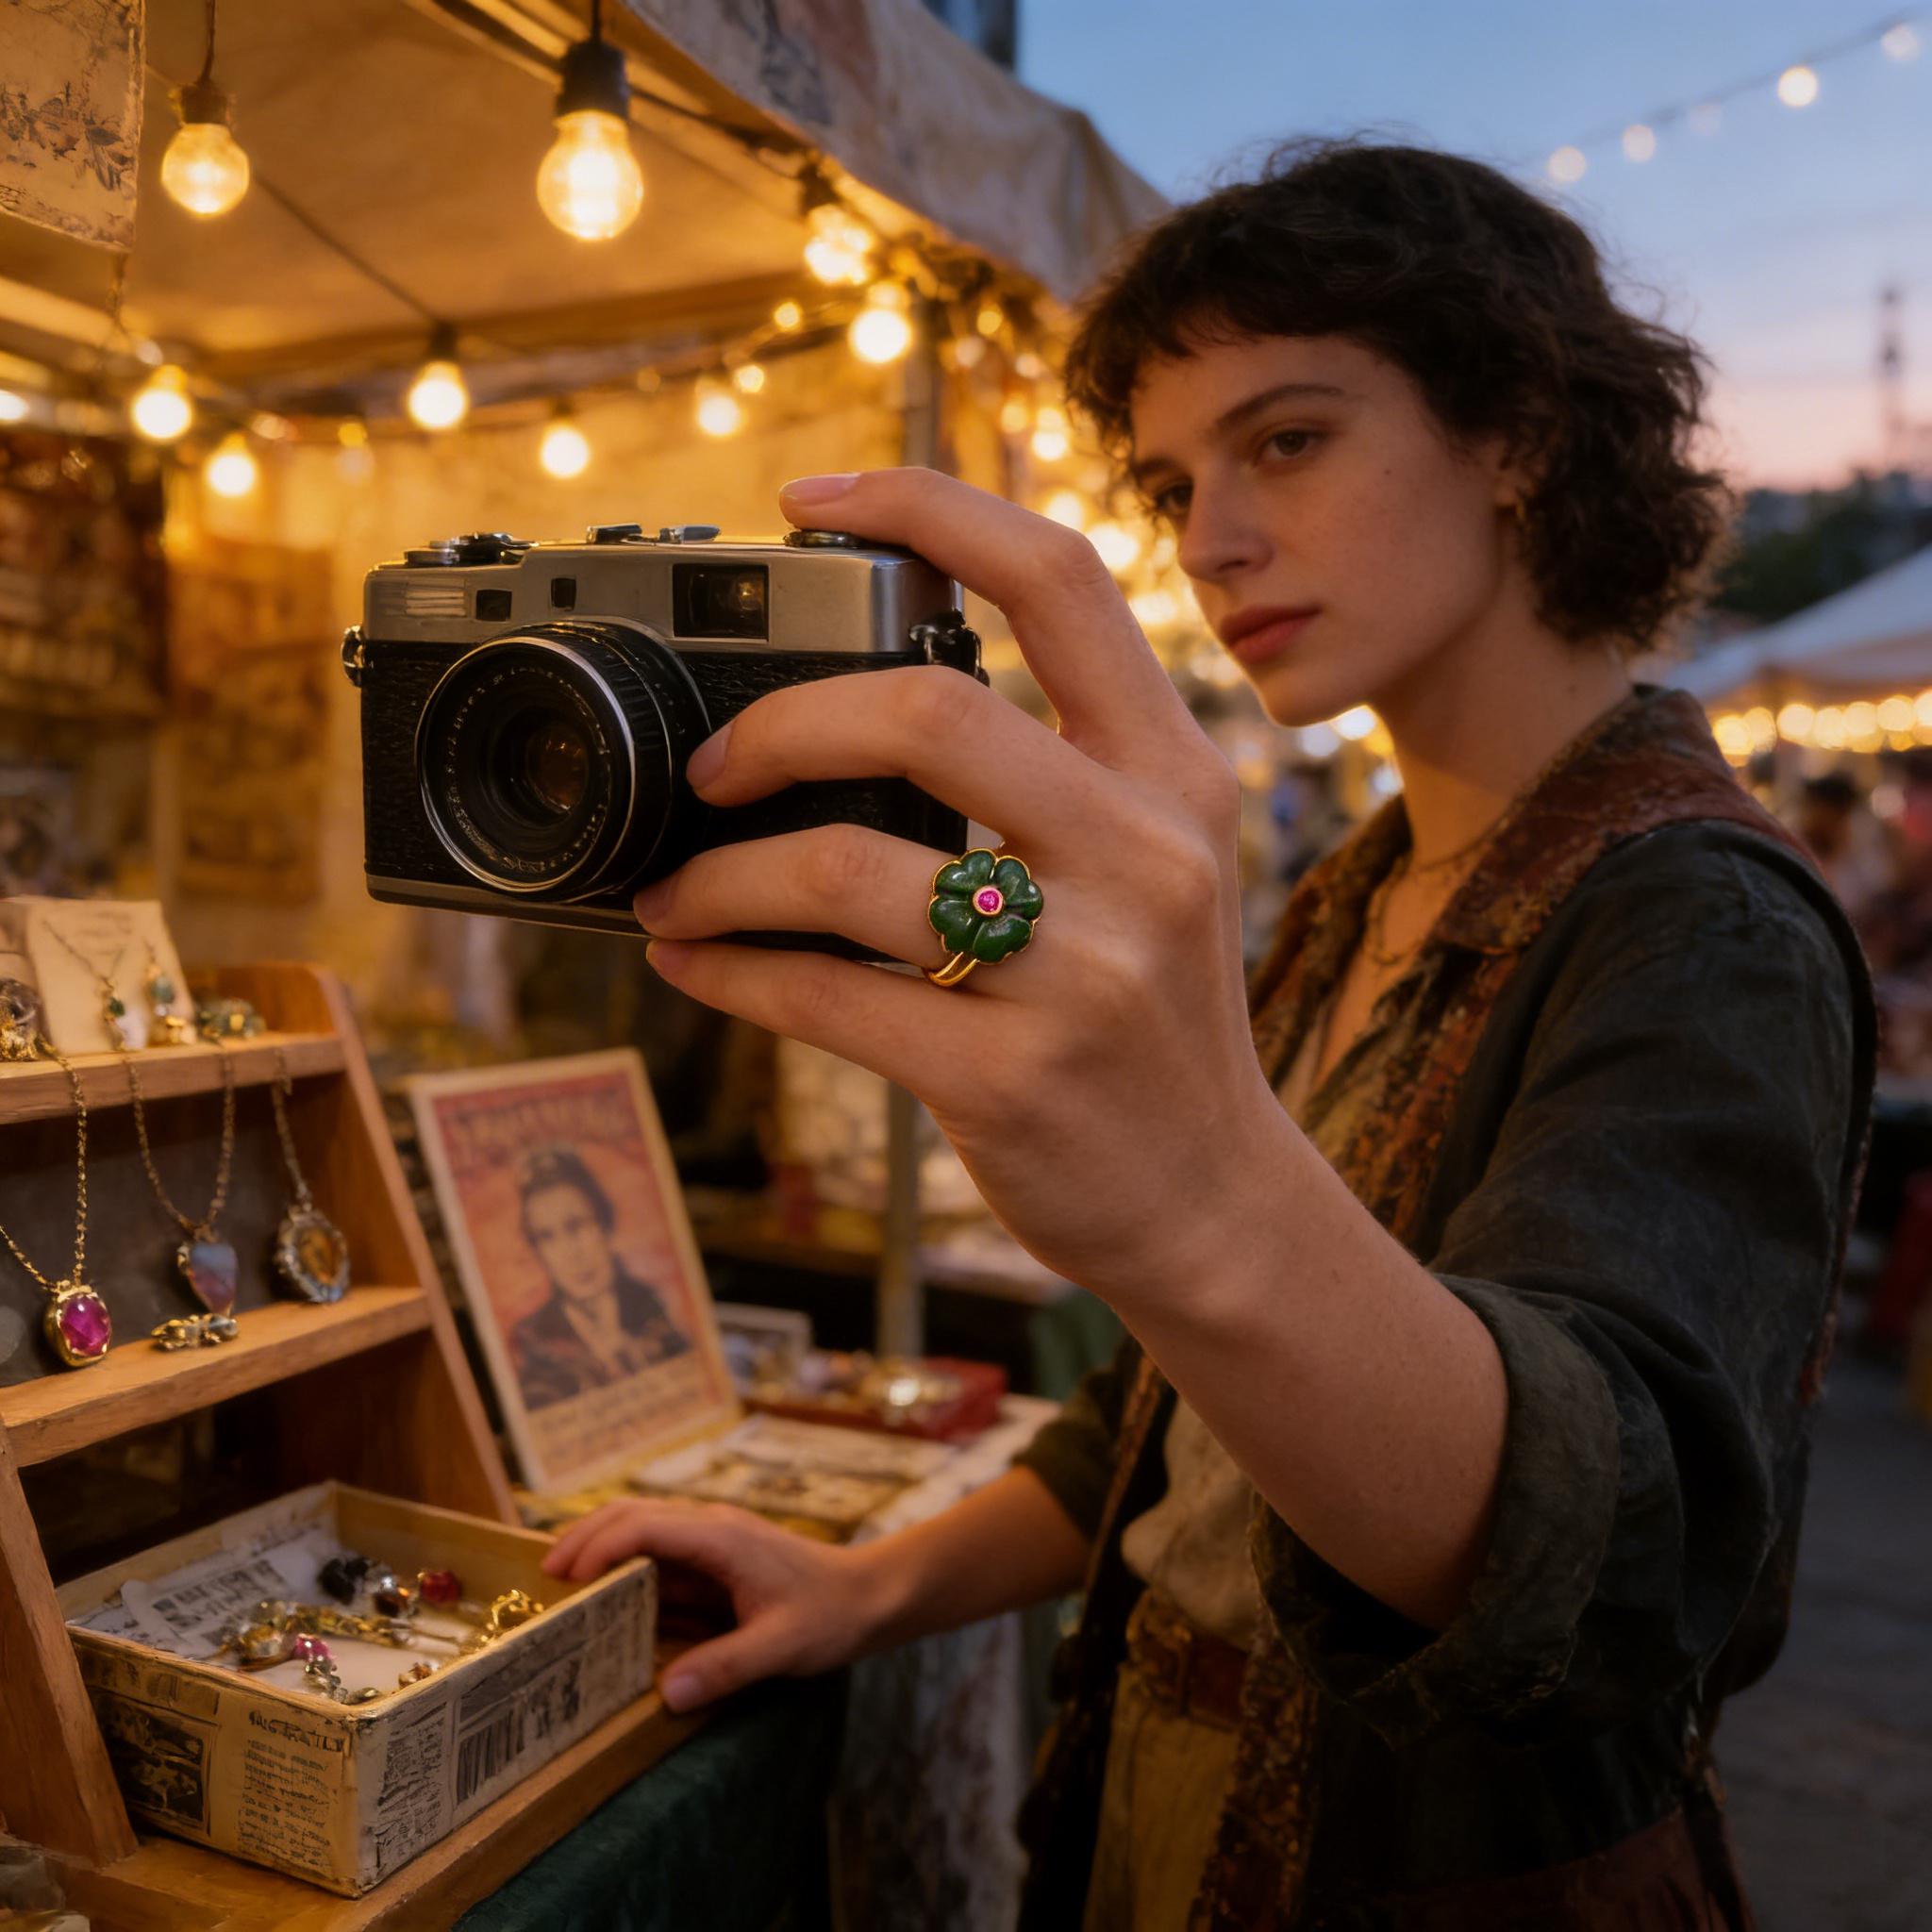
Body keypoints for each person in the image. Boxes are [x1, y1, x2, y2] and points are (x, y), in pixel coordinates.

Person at [543, 140, 1873, 1928]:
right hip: (1143, 1826)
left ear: (1520, 434)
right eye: (1169, 480)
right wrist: (861, 1581)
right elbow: (1169, 1422)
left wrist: (1188, 1192)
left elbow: (1618, 1561)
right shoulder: (1355, 889)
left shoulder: (1696, 913)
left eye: (1289, 438)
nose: (1207, 536)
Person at [509, 1143, 691, 1410]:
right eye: (547, 1237)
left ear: (605, 1226)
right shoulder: (533, 1340)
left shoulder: (651, 1306)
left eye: (577, 1226)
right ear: (539, 1252)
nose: (571, 1253)